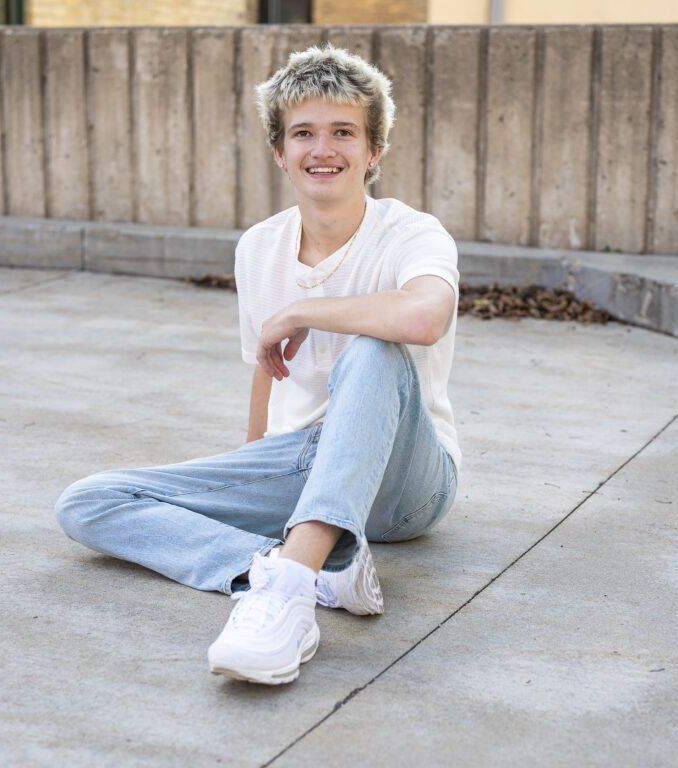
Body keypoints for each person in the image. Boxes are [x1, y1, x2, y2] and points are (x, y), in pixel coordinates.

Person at [55, 45, 460, 685]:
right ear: (279, 151)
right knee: (89, 502)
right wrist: (248, 464)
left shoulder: (412, 233)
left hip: (405, 482)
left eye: (343, 132)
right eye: (303, 133)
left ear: (373, 151)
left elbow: (423, 318)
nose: (322, 149)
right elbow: (266, 371)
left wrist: (304, 311)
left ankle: (287, 593)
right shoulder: (259, 247)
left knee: (373, 348)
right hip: (300, 464)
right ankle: (290, 568)